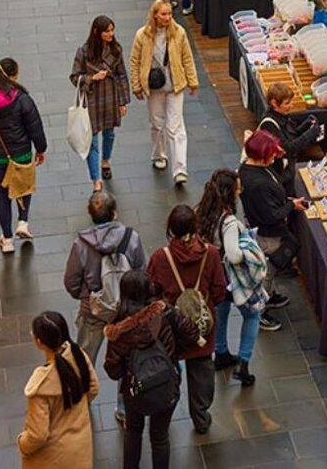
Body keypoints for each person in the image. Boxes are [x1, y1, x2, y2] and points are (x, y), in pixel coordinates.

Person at [63, 191, 146, 427]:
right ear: (115, 212)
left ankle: (82, 400)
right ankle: (123, 408)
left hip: (94, 312)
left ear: (90, 215)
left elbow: (71, 282)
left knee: (85, 358)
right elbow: (143, 271)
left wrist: (89, 297)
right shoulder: (131, 238)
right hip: (127, 312)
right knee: (128, 359)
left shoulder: (81, 244)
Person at [104, 270, 198, 469]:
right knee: (160, 436)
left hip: (134, 390)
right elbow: (192, 333)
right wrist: (172, 353)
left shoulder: (119, 329)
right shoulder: (166, 312)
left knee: (133, 431)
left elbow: (112, 370)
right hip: (167, 383)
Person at [147, 205, 225, 434]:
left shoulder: (161, 258)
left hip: (172, 327)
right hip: (202, 327)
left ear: (170, 228)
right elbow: (220, 291)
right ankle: (201, 418)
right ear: (195, 226)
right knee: (201, 371)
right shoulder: (210, 253)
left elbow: (152, 292)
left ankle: (167, 411)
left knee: (170, 368)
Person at [196, 169, 267, 386]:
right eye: (237, 188)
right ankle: (243, 364)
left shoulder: (204, 212)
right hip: (229, 278)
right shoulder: (228, 221)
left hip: (212, 276)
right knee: (252, 315)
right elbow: (234, 255)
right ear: (229, 193)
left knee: (221, 311)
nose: (240, 191)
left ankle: (221, 352)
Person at [0, 58, 47, 254]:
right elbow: (35, 127)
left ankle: (7, 240)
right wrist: (41, 149)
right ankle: (23, 222)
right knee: (24, 187)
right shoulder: (22, 99)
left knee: (2, 196)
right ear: (13, 75)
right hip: (21, 153)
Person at [239, 130, 307, 332]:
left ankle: (270, 296)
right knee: (268, 271)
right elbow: (271, 215)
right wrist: (290, 206)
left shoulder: (250, 168)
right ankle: (259, 312)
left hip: (264, 227)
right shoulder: (257, 183)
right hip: (268, 234)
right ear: (262, 155)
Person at [129, 0, 199, 186]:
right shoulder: (142, 35)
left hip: (175, 85)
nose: (167, 17)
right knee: (157, 124)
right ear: (155, 15)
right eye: (163, 14)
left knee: (175, 127)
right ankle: (159, 155)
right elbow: (135, 61)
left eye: (169, 13)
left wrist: (192, 81)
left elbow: (187, 57)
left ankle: (180, 169)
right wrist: (136, 85)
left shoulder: (179, 33)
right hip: (154, 87)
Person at [17, 311, 99, 469]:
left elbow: (38, 435)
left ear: (39, 342)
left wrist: (22, 443)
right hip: (80, 446)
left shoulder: (40, 387)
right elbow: (93, 389)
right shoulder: (79, 356)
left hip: (51, 458)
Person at [70, 15, 131, 193]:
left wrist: (122, 101)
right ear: (97, 32)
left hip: (111, 98)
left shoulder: (116, 50)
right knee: (93, 141)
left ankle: (106, 160)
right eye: (107, 31)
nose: (111, 34)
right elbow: (74, 76)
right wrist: (91, 78)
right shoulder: (83, 52)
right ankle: (96, 179)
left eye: (112, 30)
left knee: (110, 134)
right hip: (93, 101)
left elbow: (121, 75)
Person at [259, 82, 320, 196]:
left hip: (287, 171)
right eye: (287, 103)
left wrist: (305, 126)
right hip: (280, 174)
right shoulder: (269, 124)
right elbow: (288, 148)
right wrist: (310, 134)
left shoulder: (282, 115)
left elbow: (291, 135)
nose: (291, 105)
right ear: (274, 103)